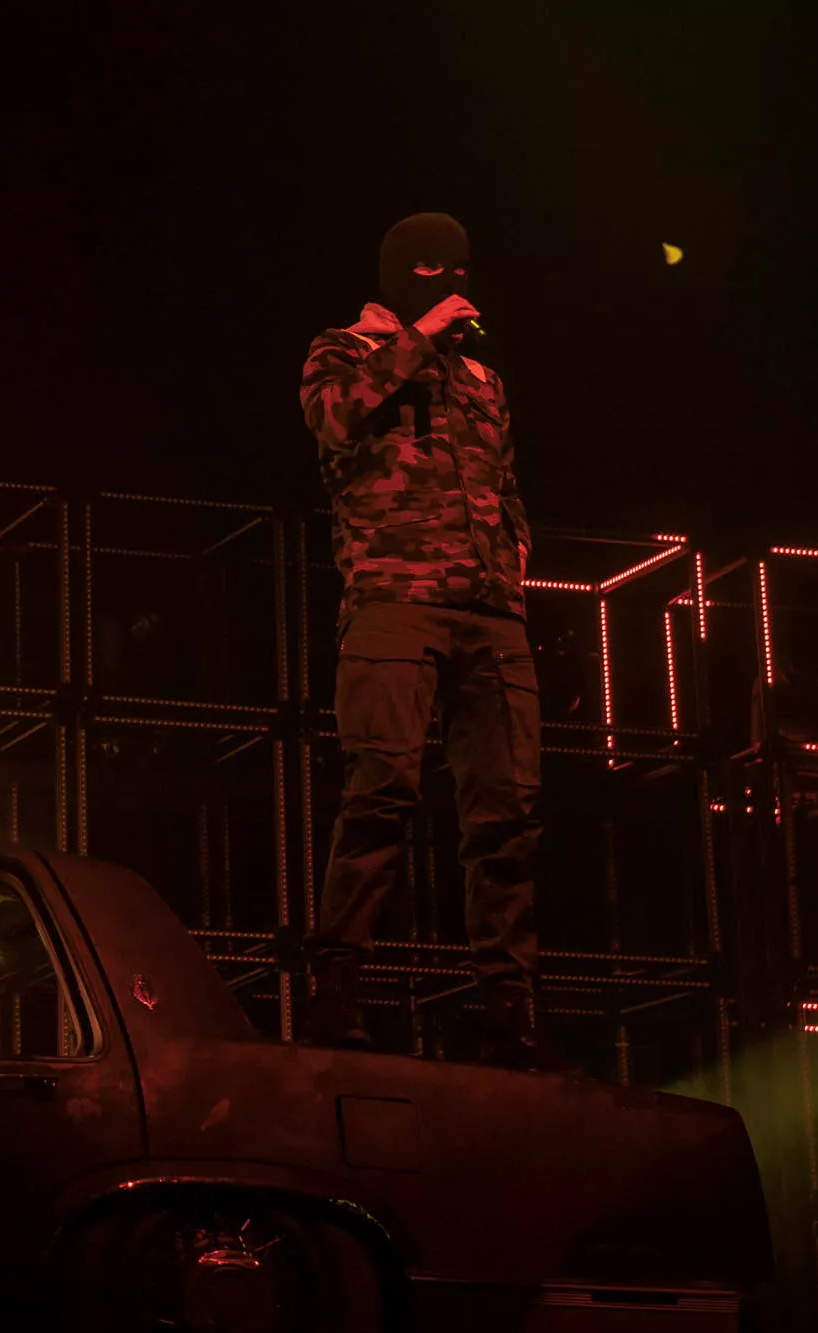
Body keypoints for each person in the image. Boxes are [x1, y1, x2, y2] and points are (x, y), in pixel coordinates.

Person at [299, 212, 552, 1071]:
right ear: (406, 274)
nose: (455, 285)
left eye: (461, 272)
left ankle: (510, 1012)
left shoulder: (481, 378)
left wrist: (514, 554)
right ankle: (337, 992)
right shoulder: (344, 351)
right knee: (381, 792)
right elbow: (336, 422)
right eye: (436, 272)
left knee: (508, 812)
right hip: (394, 600)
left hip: (490, 612)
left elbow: (504, 481)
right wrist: (417, 338)